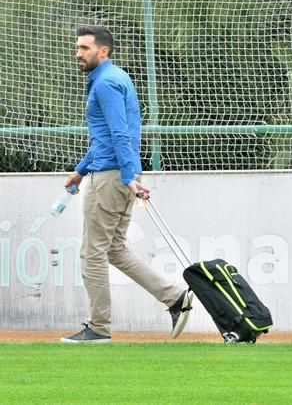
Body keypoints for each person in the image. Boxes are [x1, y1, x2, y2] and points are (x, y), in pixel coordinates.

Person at [60, 25, 193, 343]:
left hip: (110, 178)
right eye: (77, 48)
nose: (78, 53)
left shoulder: (105, 83)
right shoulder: (113, 78)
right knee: (115, 250)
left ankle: (99, 327)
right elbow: (106, 137)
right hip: (115, 173)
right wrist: (80, 171)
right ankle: (174, 297)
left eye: (85, 48)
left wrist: (129, 178)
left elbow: (120, 134)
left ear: (103, 51)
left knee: (92, 253)